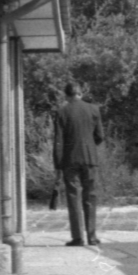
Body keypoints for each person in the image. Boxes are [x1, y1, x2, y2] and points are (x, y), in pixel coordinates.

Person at [53, 82, 105, 247]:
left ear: (67, 96)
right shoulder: (94, 109)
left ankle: (77, 237)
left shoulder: (62, 112)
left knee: (73, 197)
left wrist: (58, 164)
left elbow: (58, 142)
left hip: (70, 160)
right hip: (90, 159)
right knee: (90, 196)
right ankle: (92, 236)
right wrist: (89, 144)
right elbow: (100, 136)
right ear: (80, 93)